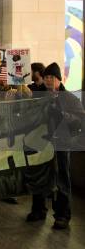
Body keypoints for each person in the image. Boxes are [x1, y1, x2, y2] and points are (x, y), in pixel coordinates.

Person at [27, 62, 84, 230]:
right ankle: (38, 209)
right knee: (40, 175)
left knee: (62, 179)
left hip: (61, 143)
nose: (49, 80)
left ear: (59, 79)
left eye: (52, 77)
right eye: (46, 77)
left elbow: (79, 120)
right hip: (41, 142)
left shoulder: (70, 98)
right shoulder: (39, 95)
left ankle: (62, 215)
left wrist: (62, 114)